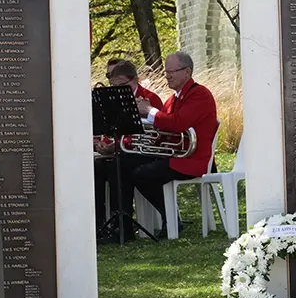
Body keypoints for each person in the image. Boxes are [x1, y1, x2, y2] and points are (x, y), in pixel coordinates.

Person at [132, 51, 219, 238]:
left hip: (192, 160)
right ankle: (138, 223)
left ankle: (171, 220)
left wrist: (149, 111)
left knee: (143, 174)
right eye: (166, 71)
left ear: (187, 72)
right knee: (130, 164)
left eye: (172, 71)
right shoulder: (173, 99)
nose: (167, 75)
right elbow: (164, 128)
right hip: (176, 156)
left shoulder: (200, 94)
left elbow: (178, 123)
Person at [93, 59, 165, 240]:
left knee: (118, 165)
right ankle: (100, 223)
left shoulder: (149, 98)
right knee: (97, 168)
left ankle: (123, 224)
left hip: (147, 153)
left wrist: (119, 147)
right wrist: (106, 145)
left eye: (123, 85)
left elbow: (155, 133)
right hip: (125, 150)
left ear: (135, 80)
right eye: (114, 85)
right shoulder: (114, 99)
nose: (118, 89)